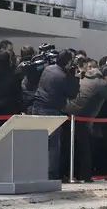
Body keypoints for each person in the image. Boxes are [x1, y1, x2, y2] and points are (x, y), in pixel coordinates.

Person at [63, 65, 107, 182]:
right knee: (84, 148)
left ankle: (69, 174)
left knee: (70, 146)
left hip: (68, 112)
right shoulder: (102, 84)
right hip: (82, 116)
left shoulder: (87, 77)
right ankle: (85, 176)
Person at [31, 50, 81, 179]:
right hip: (51, 110)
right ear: (69, 61)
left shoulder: (48, 69)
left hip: (37, 106)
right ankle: (51, 174)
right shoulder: (63, 76)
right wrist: (75, 78)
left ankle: (37, 172)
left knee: (39, 143)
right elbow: (73, 94)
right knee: (53, 144)